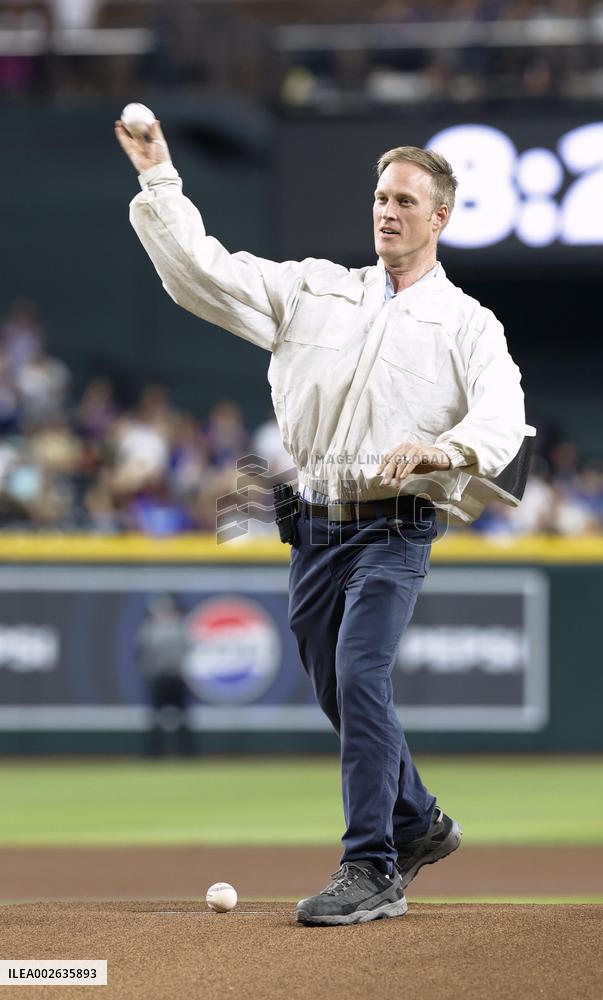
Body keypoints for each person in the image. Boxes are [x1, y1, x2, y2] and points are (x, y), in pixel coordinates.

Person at [116, 119, 526, 925]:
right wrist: (161, 177)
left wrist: (444, 448)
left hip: (396, 525)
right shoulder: (314, 290)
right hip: (313, 526)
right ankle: (421, 820)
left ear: (440, 217)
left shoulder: (468, 324)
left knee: (362, 673)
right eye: (380, 196)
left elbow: (504, 417)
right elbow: (203, 274)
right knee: (339, 688)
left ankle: (370, 864)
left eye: (406, 199)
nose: (387, 211)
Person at [136, 593, 195, 758]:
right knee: (155, 718)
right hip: (158, 678)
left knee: (183, 717)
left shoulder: (179, 626)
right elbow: (142, 653)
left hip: (175, 677)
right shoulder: (149, 628)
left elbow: (187, 649)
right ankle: (154, 754)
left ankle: (187, 753)